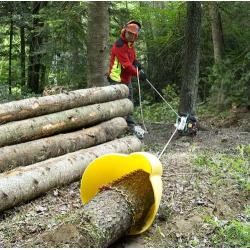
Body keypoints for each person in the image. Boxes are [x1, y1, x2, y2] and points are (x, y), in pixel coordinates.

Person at [107, 20, 147, 139]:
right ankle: (117, 128)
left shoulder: (130, 44)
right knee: (119, 104)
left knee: (129, 102)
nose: (130, 36)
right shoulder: (119, 45)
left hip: (126, 78)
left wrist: (138, 64)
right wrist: (138, 73)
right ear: (125, 31)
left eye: (133, 35)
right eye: (129, 33)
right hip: (116, 79)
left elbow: (132, 59)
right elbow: (126, 65)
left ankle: (130, 126)